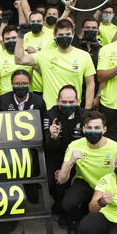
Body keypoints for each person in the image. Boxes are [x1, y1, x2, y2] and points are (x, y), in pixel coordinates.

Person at [57, 111, 117, 234]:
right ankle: (78, 219)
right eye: (89, 128)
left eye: (97, 128)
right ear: (83, 129)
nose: (93, 131)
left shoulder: (116, 149)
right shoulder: (74, 145)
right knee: (68, 203)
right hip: (84, 182)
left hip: (106, 185)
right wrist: (71, 162)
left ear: (104, 129)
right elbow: (61, 179)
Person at [15, 17, 95, 110]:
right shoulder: (45, 55)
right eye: (61, 34)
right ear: (54, 35)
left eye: (68, 34)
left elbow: (90, 83)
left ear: (73, 35)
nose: (64, 37)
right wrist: (20, 35)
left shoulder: (84, 56)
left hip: (74, 109)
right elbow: (19, 60)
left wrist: (87, 109)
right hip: (50, 110)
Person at [44, 86, 84, 219]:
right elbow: (47, 145)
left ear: (77, 101)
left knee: (65, 183)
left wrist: (66, 168)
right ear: (58, 101)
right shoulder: (50, 115)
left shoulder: (84, 115)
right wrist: (53, 137)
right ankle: (59, 203)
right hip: (55, 155)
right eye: (64, 102)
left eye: (71, 102)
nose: (68, 105)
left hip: (77, 157)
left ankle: (65, 209)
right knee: (50, 183)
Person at [0, 25, 31, 99]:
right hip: (6, 100)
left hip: (28, 99)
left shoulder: (28, 54)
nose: (11, 41)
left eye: (14, 38)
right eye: (7, 39)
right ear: (3, 41)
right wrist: (1, 104)